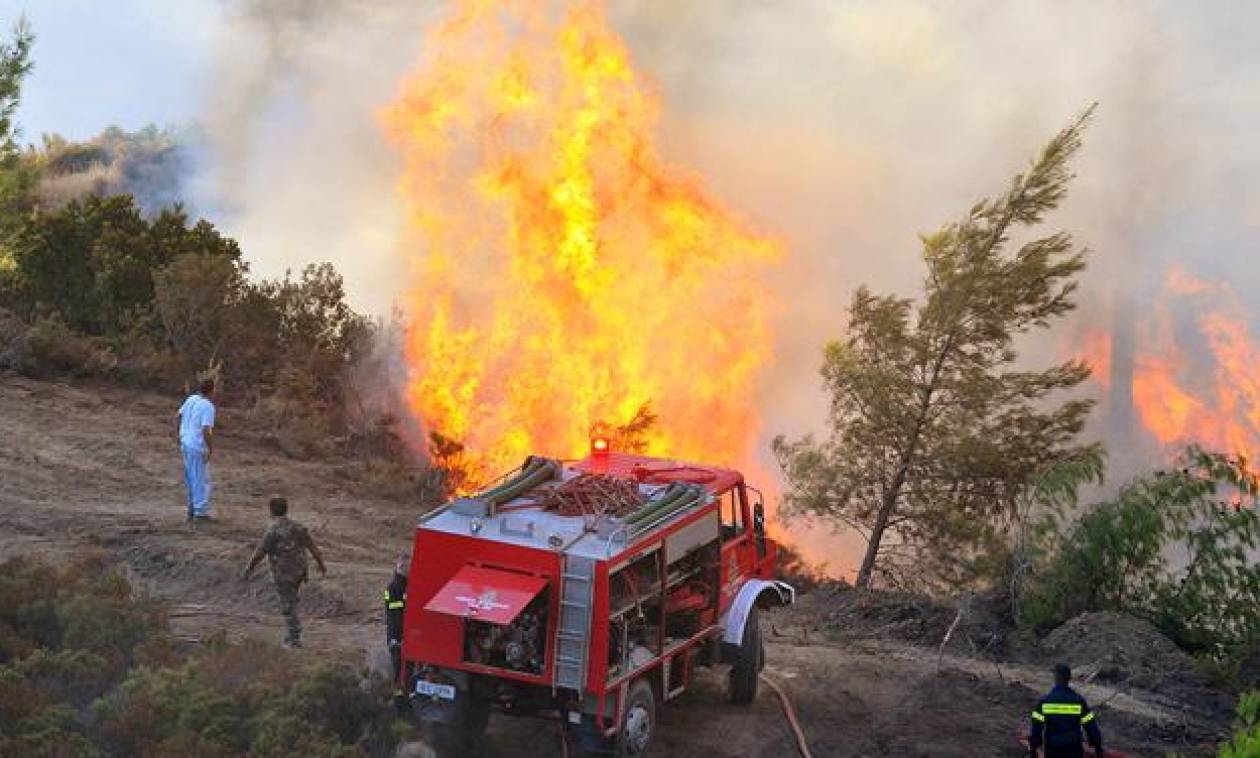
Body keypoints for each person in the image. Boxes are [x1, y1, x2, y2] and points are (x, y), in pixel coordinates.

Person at [241, 496, 327, 648]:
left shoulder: (273, 530)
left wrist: (249, 568)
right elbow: (312, 547)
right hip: (300, 570)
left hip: (284, 572)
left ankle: (293, 638)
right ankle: (293, 632)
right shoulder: (298, 527)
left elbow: (260, 551)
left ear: (271, 510)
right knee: (291, 599)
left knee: (287, 605)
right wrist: (321, 564)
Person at [1029, 663, 1104, 758]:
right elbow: (1091, 727)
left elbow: (1036, 728)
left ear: (1055, 678)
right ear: (1069, 678)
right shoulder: (1079, 701)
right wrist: (1098, 748)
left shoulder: (1045, 701)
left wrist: (1033, 749)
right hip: (1073, 748)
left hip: (1053, 749)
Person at [176, 378, 217, 521]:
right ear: (212, 390)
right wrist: (210, 448)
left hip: (185, 441)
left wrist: (179, 434)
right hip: (196, 445)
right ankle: (200, 511)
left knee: (190, 476)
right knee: (201, 478)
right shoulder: (208, 406)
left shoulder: (191, 399)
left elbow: (179, 415)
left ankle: (192, 507)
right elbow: (206, 429)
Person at [385, 551, 410, 710]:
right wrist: (396, 638)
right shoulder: (394, 588)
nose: (405, 568)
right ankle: (399, 705)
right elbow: (394, 615)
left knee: (409, 669)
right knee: (398, 668)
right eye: (403, 566)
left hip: (409, 634)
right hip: (398, 635)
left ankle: (406, 699)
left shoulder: (409, 584)